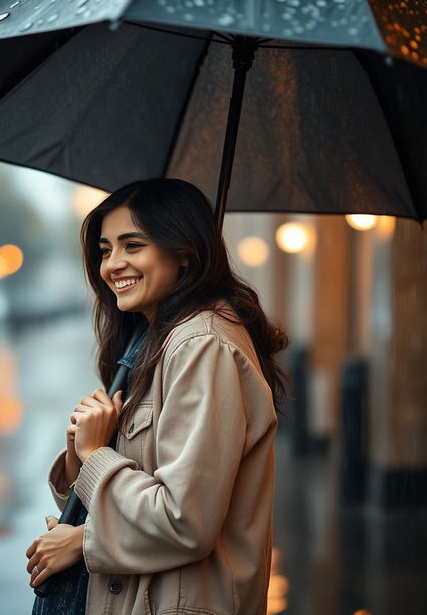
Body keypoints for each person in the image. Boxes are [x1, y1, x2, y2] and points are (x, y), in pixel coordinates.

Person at [26, 178, 288, 615]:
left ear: (184, 251)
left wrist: (85, 532)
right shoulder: (150, 343)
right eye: (106, 250)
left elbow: (186, 521)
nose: (113, 265)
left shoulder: (202, 346)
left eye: (133, 245)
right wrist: (80, 453)